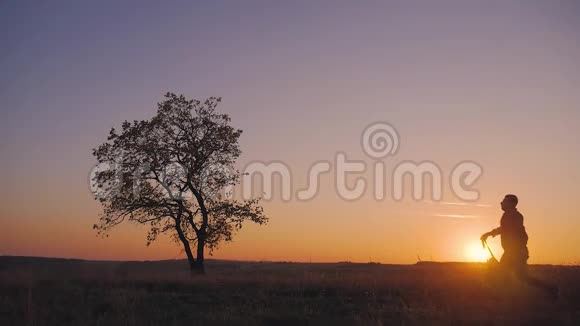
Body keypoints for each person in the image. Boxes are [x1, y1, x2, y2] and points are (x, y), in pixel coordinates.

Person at [480, 194, 558, 298]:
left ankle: (499, 298)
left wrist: (488, 234)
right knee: (521, 277)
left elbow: (507, 229)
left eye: (504, 201)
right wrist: (489, 234)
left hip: (515, 253)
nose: (501, 203)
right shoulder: (508, 215)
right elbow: (505, 229)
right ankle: (550, 289)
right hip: (513, 252)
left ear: (512, 204)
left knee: (502, 274)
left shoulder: (515, 216)